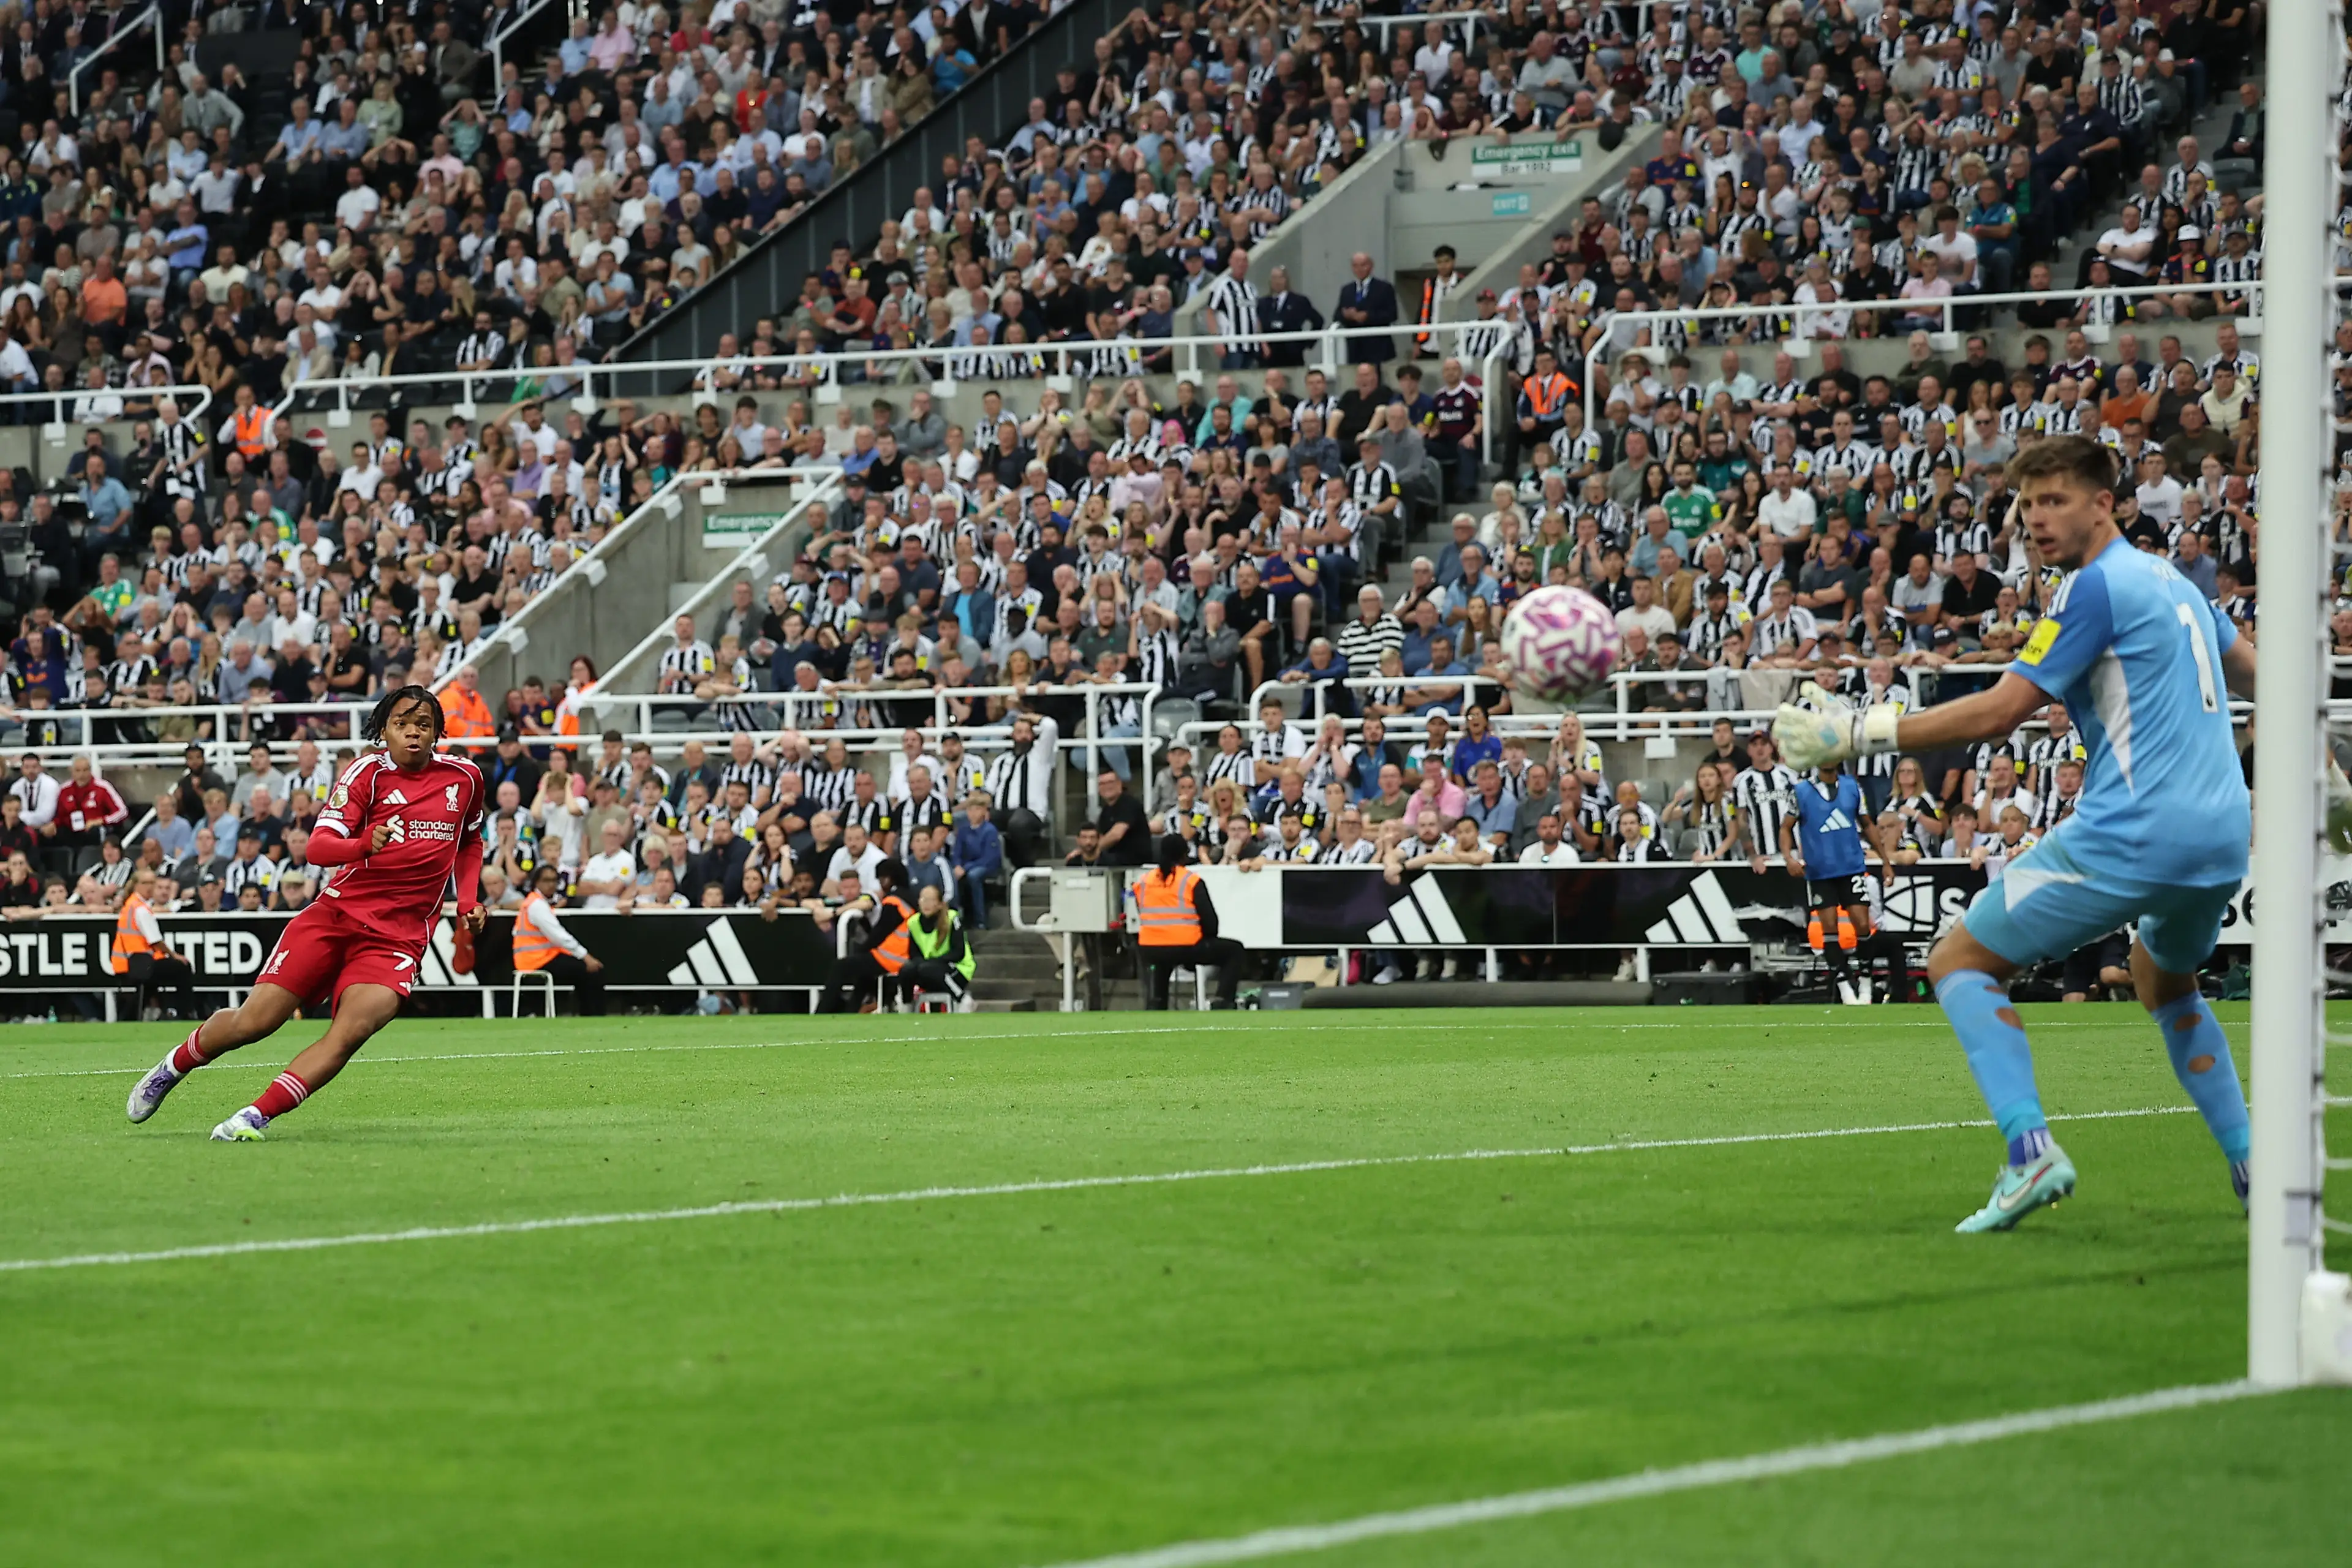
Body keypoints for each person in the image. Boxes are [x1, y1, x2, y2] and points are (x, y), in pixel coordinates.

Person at [1773, 436, 2352, 1232]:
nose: (2038, 519)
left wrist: (1859, 734)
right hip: (2222, 835)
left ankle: (2029, 1151)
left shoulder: (2094, 589)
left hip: (2137, 828)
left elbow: (2001, 711)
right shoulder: (2176, 583)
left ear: (2104, 503)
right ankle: (2252, 1159)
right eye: (2028, 504)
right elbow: (2269, 676)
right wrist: (2326, 770)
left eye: (2055, 500)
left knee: (1958, 962)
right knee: (2161, 979)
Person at [123, 687, 489, 1142]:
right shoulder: (366, 774)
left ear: (437, 733)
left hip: (399, 938)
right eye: (402, 723)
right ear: (384, 730)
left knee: (351, 1031)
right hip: (334, 918)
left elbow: (470, 841)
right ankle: (174, 1065)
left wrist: (469, 899)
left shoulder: (466, 778)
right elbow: (318, 848)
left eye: (424, 725)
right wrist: (363, 843)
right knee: (255, 1022)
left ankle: (254, 1116)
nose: (413, 733)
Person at [1779, 758, 1899, 1006]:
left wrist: (1885, 860)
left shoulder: (1852, 787)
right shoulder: (1801, 791)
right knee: (1829, 929)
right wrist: (1788, 858)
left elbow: (1867, 824)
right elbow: (1786, 827)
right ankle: (1845, 987)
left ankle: (1865, 980)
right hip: (1820, 870)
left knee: (1862, 925)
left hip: (1851, 866)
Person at [1133, 834, 1242, 1009]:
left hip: (1149, 948)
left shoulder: (1143, 882)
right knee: (1234, 951)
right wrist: (1204, 941)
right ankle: (1223, 1000)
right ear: (1185, 854)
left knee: (1162, 961)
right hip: (1186, 946)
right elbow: (1210, 921)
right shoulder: (1191, 881)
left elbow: (1143, 911)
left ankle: (1157, 1003)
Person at [815, 856, 916, 1012]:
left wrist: (862, 950)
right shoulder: (910, 898)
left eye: (881, 878)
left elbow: (880, 933)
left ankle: (822, 1012)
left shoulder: (894, 901)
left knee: (840, 967)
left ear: (888, 878)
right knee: (864, 975)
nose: (881, 884)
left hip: (891, 957)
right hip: (905, 957)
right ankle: (852, 1012)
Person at [511, 862, 609, 1015]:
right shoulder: (537, 905)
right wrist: (586, 957)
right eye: (546, 880)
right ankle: (592, 1015)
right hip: (538, 961)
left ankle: (587, 1013)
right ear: (537, 882)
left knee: (582, 970)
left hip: (532, 960)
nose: (551, 885)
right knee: (590, 971)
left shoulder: (533, 902)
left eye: (554, 881)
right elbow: (560, 937)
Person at [111, 864, 194, 1019]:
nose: (150, 887)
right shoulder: (141, 909)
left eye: (152, 883)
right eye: (146, 883)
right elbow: (156, 941)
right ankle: (183, 1011)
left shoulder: (130, 905)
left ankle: (127, 1018)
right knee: (183, 967)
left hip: (129, 962)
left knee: (149, 985)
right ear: (136, 885)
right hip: (142, 962)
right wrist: (175, 956)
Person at [900, 883, 976, 1011]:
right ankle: (907, 1005)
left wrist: (932, 962)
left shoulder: (951, 918)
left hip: (956, 969)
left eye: (931, 900)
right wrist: (922, 964)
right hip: (928, 968)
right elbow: (914, 954)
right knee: (907, 970)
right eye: (923, 899)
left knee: (929, 969)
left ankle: (962, 999)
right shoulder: (913, 923)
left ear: (940, 904)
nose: (926, 904)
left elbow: (958, 953)